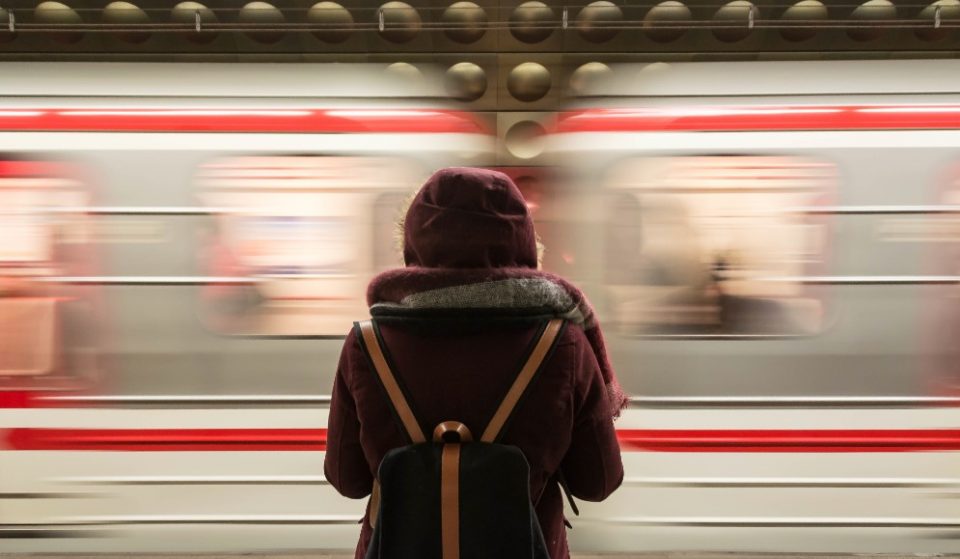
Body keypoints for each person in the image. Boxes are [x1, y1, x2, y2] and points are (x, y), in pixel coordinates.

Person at [324, 167, 627, 559]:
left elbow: (347, 480)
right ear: (523, 241)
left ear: (415, 240)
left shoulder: (367, 344)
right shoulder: (564, 343)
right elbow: (598, 482)